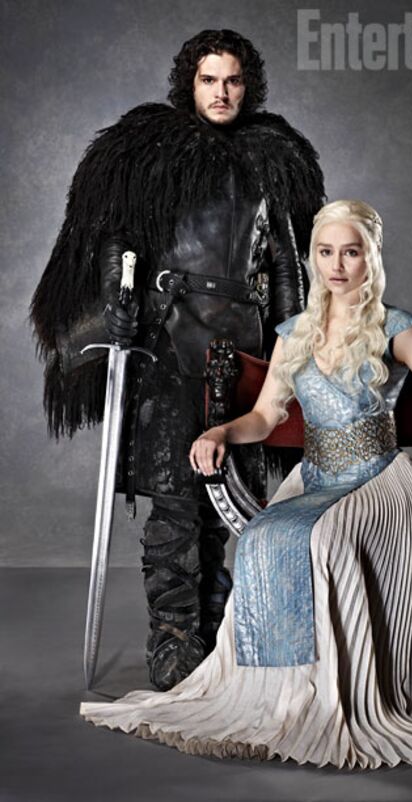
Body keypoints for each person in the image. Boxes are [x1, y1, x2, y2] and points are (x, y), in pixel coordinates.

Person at [80, 200, 412, 769]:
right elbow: (264, 417)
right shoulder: (295, 333)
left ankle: (339, 695)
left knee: (322, 542)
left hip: (379, 479)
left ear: (371, 257)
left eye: (351, 252)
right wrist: (221, 430)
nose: (337, 265)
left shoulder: (398, 327)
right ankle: (281, 696)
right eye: (325, 252)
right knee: (264, 538)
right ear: (313, 259)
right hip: (314, 476)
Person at [30, 30, 325, 691]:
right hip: (166, 343)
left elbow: (286, 266)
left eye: (233, 81)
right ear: (188, 83)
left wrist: (291, 349)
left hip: (242, 351)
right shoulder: (149, 153)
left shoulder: (273, 159)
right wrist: (118, 298)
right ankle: (172, 640)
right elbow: (118, 237)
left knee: (227, 501)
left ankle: (216, 634)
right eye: (208, 80)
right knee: (174, 500)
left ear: (249, 87)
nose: (221, 92)